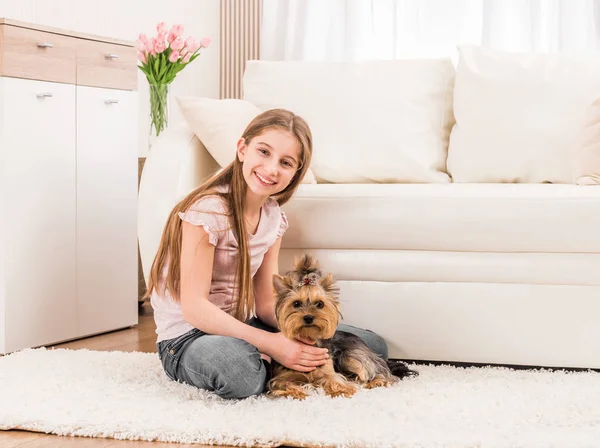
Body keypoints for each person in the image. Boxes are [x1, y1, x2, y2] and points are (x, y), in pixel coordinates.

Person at [145, 108, 389, 399]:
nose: (272, 169)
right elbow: (195, 309)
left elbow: (264, 305)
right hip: (190, 336)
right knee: (240, 373)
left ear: (295, 173)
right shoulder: (208, 210)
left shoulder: (273, 218)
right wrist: (272, 344)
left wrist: (297, 331)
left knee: (371, 345)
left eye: (286, 162)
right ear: (242, 149)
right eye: (264, 152)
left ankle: (268, 358)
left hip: (241, 324)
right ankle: (264, 359)